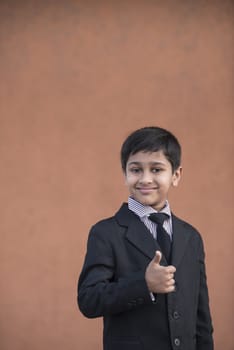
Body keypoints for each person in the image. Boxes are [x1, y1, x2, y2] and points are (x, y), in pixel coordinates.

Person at [77, 126, 214, 350]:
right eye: (136, 170)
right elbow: (88, 300)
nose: (145, 178)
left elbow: (202, 319)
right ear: (125, 174)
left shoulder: (191, 237)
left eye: (157, 169)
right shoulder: (106, 233)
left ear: (176, 175)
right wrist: (144, 284)